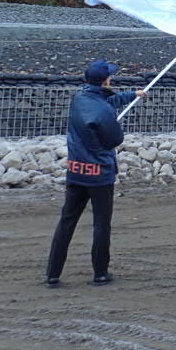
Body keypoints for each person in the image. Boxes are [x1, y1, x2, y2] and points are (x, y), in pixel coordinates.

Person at [44, 59, 146, 287]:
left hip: (76, 171)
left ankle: (52, 274)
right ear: (105, 80)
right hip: (100, 174)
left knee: (66, 222)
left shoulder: (80, 98)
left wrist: (133, 94)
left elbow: (107, 100)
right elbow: (115, 139)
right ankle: (100, 273)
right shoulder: (102, 110)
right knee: (101, 224)